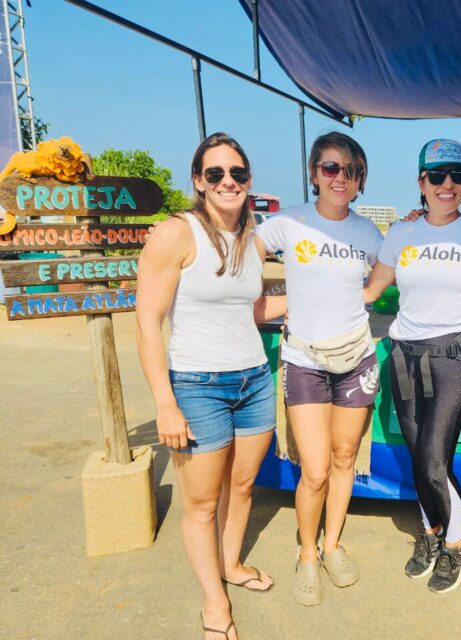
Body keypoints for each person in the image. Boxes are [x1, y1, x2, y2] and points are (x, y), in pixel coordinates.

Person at [137, 132, 274, 640]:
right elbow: (147, 322)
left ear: (249, 180)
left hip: (254, 379)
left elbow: (251, 309)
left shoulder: (250, 238)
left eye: (237, 173)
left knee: (241, 487)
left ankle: (231, 564)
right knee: (200, 503)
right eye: (215, 174)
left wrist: (327, 302)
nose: (227, 182)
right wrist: (164, 404)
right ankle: (214, 603)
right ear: (198, 181)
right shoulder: (176, 233)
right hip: (197, 385)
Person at [364, 139, 461, 593]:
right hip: (404, 356)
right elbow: (370, 292)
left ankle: (454, 543)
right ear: (421, 182)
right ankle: (429, 535)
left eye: (458, 176)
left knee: (432, 459)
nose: (448, 185)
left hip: (451, 359)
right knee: (422, 455)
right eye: (439, 176)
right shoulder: (401, 233)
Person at [255, 132, 383, 606]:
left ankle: (332, 545)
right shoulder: (288, 223)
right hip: (304, 359)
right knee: (314, 469)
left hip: (355, 357)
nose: (340, 178)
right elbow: (239, 257)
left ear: (360, 179)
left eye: (349, 171)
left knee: (345, 457)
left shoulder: (370, 234)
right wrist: (271, 304)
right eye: (330, 168)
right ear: (313, 173)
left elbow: (388, 275)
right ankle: (306, 552)